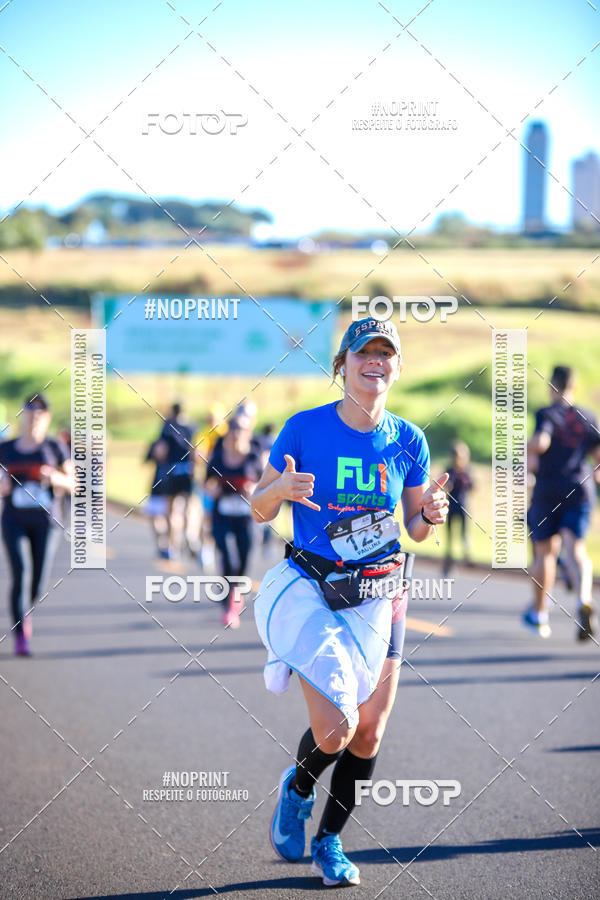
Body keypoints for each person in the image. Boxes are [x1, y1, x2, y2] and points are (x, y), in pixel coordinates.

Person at [251, 318, 449, 887]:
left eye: (386, 355)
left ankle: (329, 842)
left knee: (369, 732)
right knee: (338, 726)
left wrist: (429, 516)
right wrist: (278, 492)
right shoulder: (303, 429)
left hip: (381, 593)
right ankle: (298, 788)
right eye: (365, 352)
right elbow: (258, 509)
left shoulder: (409, 439)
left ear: (396, 368)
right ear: (342, 364)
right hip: (314, 589)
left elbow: (414, 528)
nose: (376, 362)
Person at [523, 365, 600, 640]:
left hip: (548, 489)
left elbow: (540, 443)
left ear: (551, 387)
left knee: (545, 552)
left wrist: (527, 447)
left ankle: (540, 615)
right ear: (574, 386)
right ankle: (583, 599)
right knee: (576, 548)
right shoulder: (587, 416)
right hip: (579, 489)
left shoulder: (547, 414)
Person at [0, 393, 72, 656]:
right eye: (29, 414)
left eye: (39, 415)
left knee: (38, 583)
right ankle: (20, 636)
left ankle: (25, 612)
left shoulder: (55, 448)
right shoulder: (5, 449)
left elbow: (74, 483)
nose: (34, 419)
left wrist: (54, 477)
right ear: (23, 417)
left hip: (46, 522)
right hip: (14, 520)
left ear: (47, 419)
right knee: (21, 573)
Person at [205, 415, 263, 628]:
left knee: (244, 560)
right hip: (222, 515)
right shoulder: (219, 456)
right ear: (229, 432)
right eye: (235, 429)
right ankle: (229, 603)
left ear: (249, 433)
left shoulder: (254, 457)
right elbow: (206, 482)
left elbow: (265, 484)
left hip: (246, 518)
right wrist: (211, 489)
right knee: (228, 556)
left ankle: (234, 597)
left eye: (242, 429)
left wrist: (253, 489)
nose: (238, 433)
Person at [160, 403, 197, 559]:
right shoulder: (192, 427)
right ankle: (188, 534)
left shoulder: (167, 427)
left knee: (171, 509)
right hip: (187, 470)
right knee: (188, 505)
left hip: (172, 470)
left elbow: (162, 450)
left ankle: (172, 543)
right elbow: (196, 450)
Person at [442, 440, 474, 576]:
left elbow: (472, 486)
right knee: (450, 537)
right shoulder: (449, 471)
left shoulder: (467, 471)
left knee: (464, 534)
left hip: (463, 507)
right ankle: (448, 564)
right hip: (450, 507)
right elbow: (444, 486)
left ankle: (467, 558)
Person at [144, 437, 171, 558]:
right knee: (152, 516)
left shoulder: (174, 448)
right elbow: (146, 459)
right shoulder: (157, 443)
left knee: (168, 518)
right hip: (155, 488)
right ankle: (160, 544)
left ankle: (169, 545)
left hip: (169, 489)